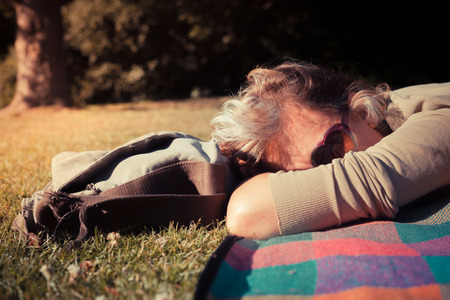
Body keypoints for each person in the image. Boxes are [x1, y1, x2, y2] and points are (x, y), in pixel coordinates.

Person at [210, 60, 450, 240]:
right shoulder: (383, 121)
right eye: (302, 177)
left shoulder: (438, 118)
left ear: (363, 111)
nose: (329, 172)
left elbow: (247, 213)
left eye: (330, 152)